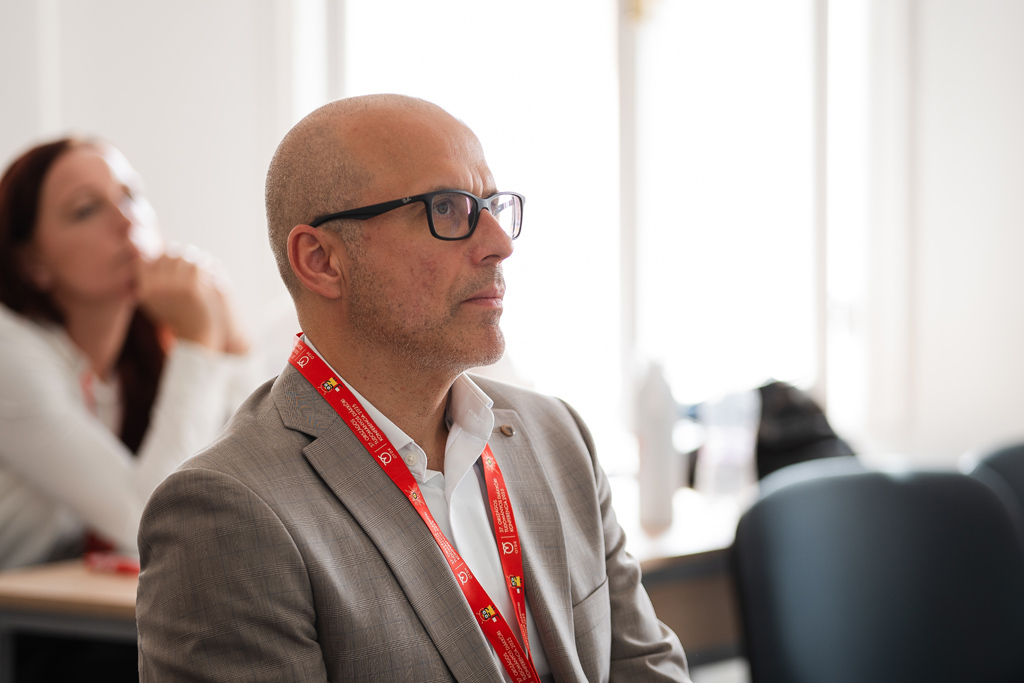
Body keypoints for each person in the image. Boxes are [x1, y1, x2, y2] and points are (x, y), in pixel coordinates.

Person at [136, 95, 690, 682]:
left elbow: (645, 666)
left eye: (492, 206)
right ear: (321, 260)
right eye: (447, 209)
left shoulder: (557, 437)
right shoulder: (227, 513)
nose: (500, 243)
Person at [0, 138, 253, 571]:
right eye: (86, 209)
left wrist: (232, 335)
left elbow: (252, 478)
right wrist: (199, 342)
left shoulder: (133, 361)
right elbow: (152, 521)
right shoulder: (9, 352)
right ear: (31, 264)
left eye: (130, 195)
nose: (125, 219)